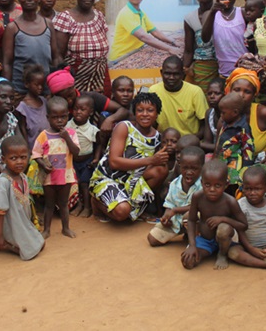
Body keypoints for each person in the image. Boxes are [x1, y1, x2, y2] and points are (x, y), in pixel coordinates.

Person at [90, 92, 167, 222]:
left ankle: (136, 207)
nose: (145, 114)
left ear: (157, 113)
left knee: (161, 170)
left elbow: (154, 167)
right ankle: (97, 202)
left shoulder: (158, 137)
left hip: (132, 180)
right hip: (109, 178)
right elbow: (114, 162)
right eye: (140, 110)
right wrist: (150, 160)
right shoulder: (124, 127)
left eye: (150, 110)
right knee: (122, 213)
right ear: (135, 112)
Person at [181, 160, 248, 270]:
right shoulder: (197, 197)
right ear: (202, 183)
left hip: (226, 240)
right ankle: (206, 251)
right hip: (205, 240)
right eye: (207, 185)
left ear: (226, 184)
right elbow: (192, 220)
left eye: (217, 185)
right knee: (188, 261)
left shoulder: (230, 201)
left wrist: (223, 219)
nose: (212, 189)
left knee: (223, 228)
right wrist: (192, 245)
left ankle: (222, 254)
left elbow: (244, 225)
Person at [0, 135, 45, 260]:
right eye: (13, 158)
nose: (19, 162)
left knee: (41, 244)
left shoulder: (23, 177)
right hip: (11, 226)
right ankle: (5, 244)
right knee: (30, 253)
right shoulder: (3, 182)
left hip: (22, 223)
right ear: (4, 159)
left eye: (23, 157)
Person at [2, 0, 60, 103]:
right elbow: (7, 62)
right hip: (20, 90)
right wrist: (8, 89)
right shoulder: (13, 28)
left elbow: (55, 57)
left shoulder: (48, 24)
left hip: (44, 90)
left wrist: (54, 85)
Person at [53, 0, 112, 96]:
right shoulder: (65, 18)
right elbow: (58, 56)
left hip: (100, 76)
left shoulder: (99, 16)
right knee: (79, 110)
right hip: (76, 78)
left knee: (102, 110)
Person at [32, 97, 80, 239]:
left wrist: (67, 138)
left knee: (64, 204)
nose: (59, 120)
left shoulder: (71, 133)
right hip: (49, 177)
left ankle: (66, 228)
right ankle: (46, 230)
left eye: (63, 117)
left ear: (68, 116)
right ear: (48, 118)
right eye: (55, 117)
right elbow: (35, 153)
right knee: (49, 204)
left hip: (66, 176)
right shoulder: (43, 135)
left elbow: (76, 152)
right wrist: (43, 164)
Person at [110, 0, 182, 61]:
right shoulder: (126, 13)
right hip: (121, 57)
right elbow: (143, 36)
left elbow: (155, 32)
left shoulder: (141, 13)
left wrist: (173, 42)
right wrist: (169, 48)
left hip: (135, 53)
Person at [148, 146, 205, 246]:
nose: (189, 172)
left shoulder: (204, 184)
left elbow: (199, 207)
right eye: (185, 167)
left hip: (196, 221)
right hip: (176, 221)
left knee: (189, 216)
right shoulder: (175, 184)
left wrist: (175, 210)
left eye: (194, 168)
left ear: (202, 167)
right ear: (179, 165)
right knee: (152, 239)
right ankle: (186, 233)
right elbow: (169, 204)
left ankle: (195, 242)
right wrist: (166, 218)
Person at [47, 68, 130, 135]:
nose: (69, 101)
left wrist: (109, 120)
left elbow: (122, 110)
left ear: (74, 88)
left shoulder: (91, 97)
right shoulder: (52, 107)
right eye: (64, 98)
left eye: (70, 95)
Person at [224, 68, 266, 161]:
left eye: (247, 92)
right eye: (237, 90)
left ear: (254, 95)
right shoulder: (225, 116)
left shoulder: (264, 114)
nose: (241, 95)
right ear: (230, 91)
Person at [200, 0, 248, 78]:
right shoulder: (209, 14)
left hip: (244, 71)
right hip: (223, 72)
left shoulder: (243, 13)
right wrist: (213, 12)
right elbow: (205, 38)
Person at [149, 56, 209, 136]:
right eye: (167, 73)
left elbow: (205, 125)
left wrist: (190, 141)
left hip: (189, 143)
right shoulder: (154, 91)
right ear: (161, 73)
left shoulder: (195, 92)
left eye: (176, 74)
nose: (171, 78)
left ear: (183, 74)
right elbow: (151, 123)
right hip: (164, 142)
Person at [183, 0, 218, 90]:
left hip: (221, 66)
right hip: (201, 68)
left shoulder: (222, 14)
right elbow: (188, 50)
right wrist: (185, 68)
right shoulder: (190, 18)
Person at [67, 95, 101, 218]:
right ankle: (78, 205)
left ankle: (87, 207)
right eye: (76, 109)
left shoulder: (93, 130)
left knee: (84, 183)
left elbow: (98, 145)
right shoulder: (67, 126)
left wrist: (96, 158)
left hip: (87, 160)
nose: (78, 112)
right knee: (74, 184)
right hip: (72, 160)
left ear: (90, 112)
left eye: (82, 109)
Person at [214, 93, 254, 192]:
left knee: (231, 190)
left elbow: (248, 151)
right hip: (221, 164)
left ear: (235, 112)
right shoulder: (224, 123)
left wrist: (245, 172)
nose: (221, 115)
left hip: (234, 170)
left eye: (223, 113)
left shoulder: (243, 129)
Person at [14, 64, 49, 149]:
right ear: (27, 84)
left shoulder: (44, 101)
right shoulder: (23, 107)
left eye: (42, 84)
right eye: (36, 84)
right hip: (33, 149)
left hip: (48, 147)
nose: (40, 87)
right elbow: (23, 130)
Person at [201, 78, 225, 153]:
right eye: (209, 93)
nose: (212, 96)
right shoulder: (209, 113)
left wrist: (195, 143)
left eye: (217, 93)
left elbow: (222, 147)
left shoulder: (230, 116)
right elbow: (208, 142)